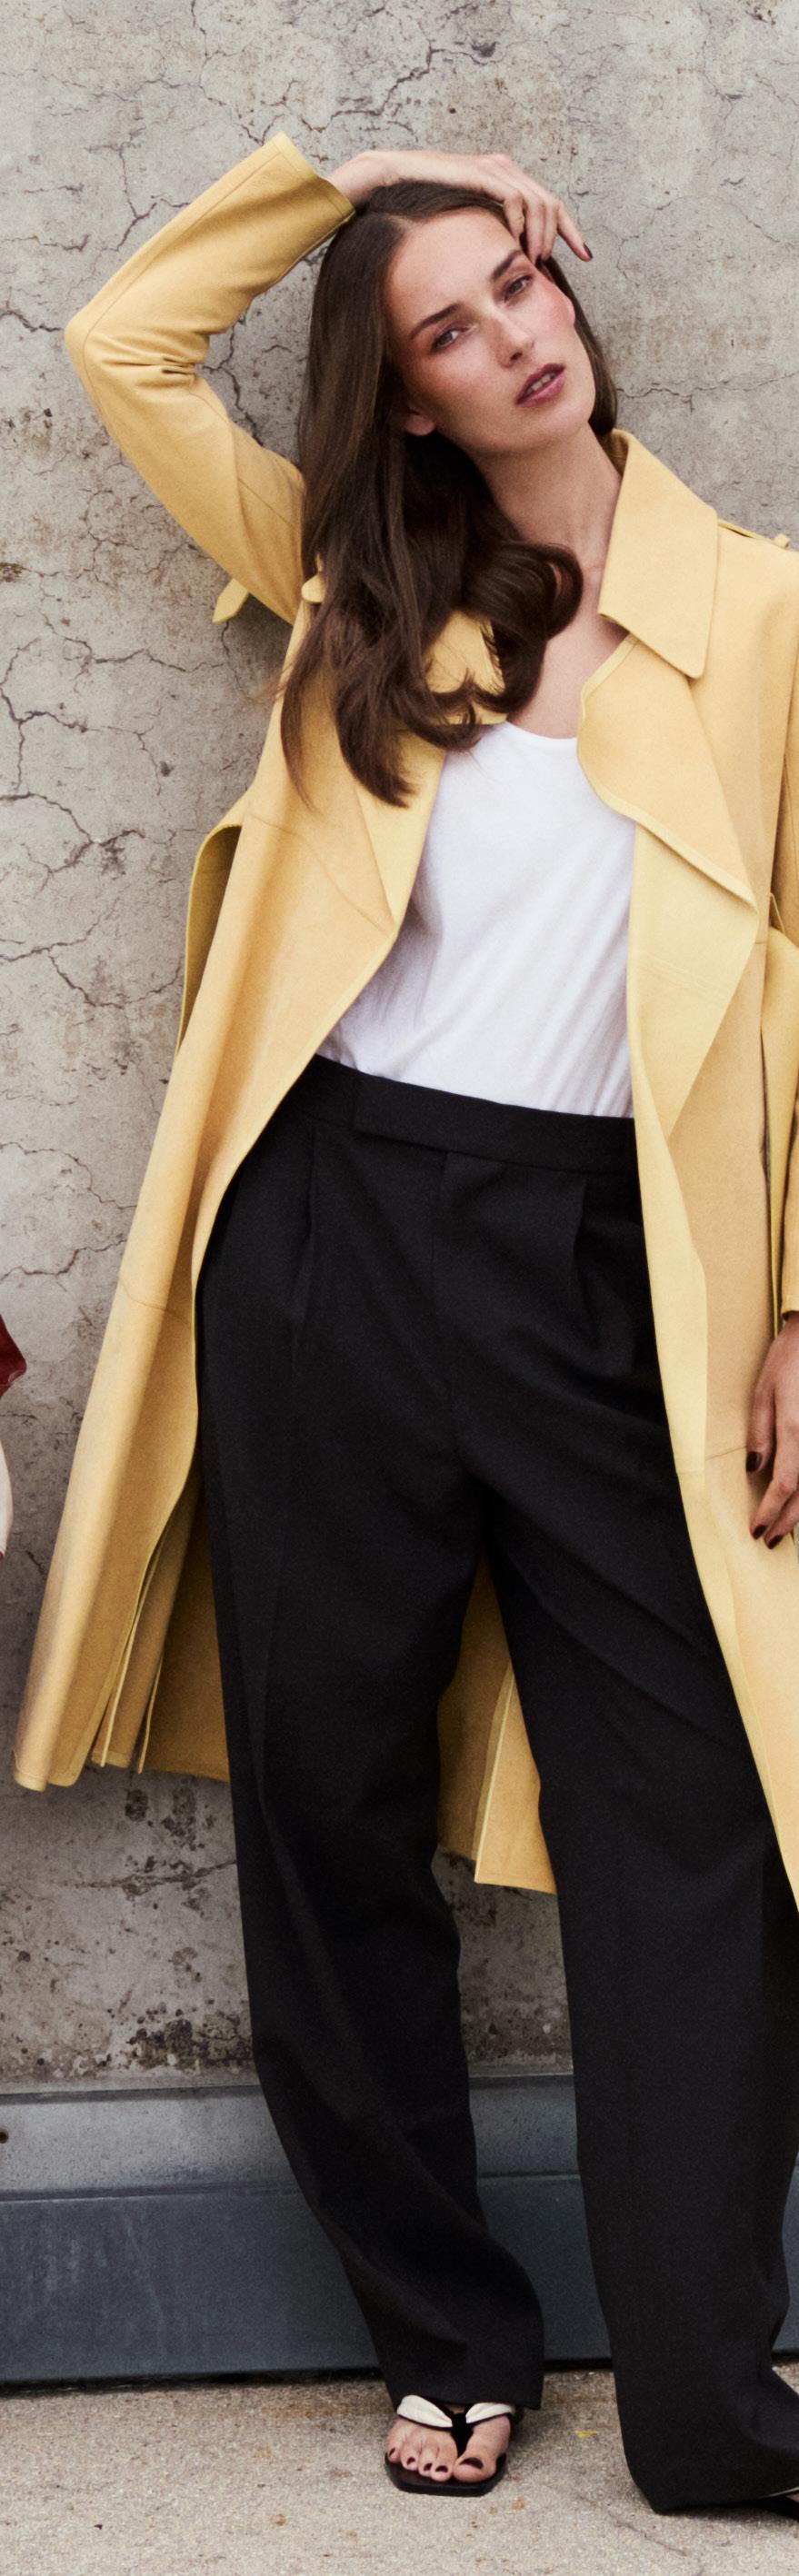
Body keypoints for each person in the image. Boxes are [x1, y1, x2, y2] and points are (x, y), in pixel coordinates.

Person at [15, 124, 799, 2516]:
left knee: (698, 1827)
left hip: (612, 1277)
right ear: (415, 398)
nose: (512, 337)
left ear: (573, 291)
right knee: (328, 1804)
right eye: (446, 328)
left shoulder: (766, 621)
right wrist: (356, 174)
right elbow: (124, 348)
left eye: (518, 282)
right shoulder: (360, 585)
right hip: (331, 1239)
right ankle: (445, 2329)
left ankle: (711, 2400)